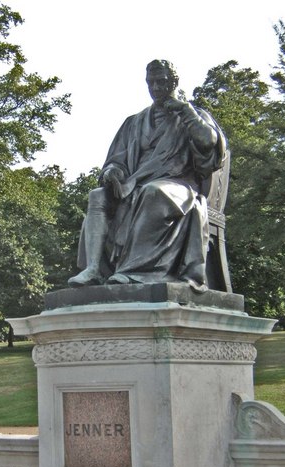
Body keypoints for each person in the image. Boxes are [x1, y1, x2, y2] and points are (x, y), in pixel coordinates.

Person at [68, 59, 227, 292]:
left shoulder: (192, 115)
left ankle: (136, 272)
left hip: (177, 184)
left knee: (155, 193)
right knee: (97, 196)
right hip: (135, 184)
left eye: (161, 82)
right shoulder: (134, 122)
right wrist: (113, 171)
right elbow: (116, 160)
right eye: (150, 82)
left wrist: (186, 111)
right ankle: (93, 269)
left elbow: (207, 141)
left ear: (174, 82)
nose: (156, 88)